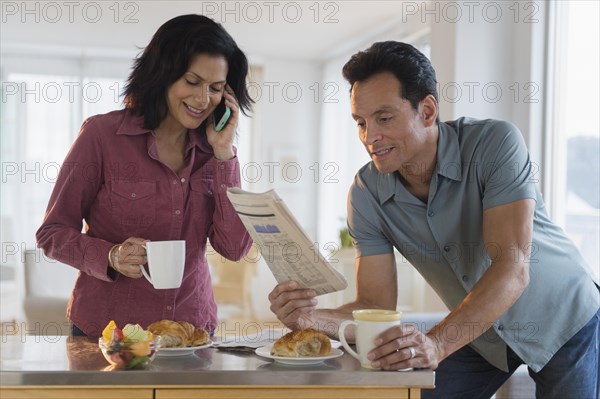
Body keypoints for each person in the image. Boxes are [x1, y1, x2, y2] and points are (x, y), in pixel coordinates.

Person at [268, 41, 599, 398]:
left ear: (426, 111)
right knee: (416, 393)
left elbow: (512, 267)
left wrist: (437, 345)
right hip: (480, 330)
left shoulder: (495, 144)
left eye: (384, 118)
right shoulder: (366, 193)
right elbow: (375, 306)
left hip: (563, 316)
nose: (369, 137)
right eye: (360, 122)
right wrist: (310, 319)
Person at [36, 14, 253, 337]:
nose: (202, 99)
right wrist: (110, 255)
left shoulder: (216, 154)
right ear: (163, 73)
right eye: (192, 82)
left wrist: (224, 154)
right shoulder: (102, 136)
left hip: (189, 332)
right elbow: (52, 233)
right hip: (108, 333)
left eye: (216, 88)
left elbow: (234, 248)